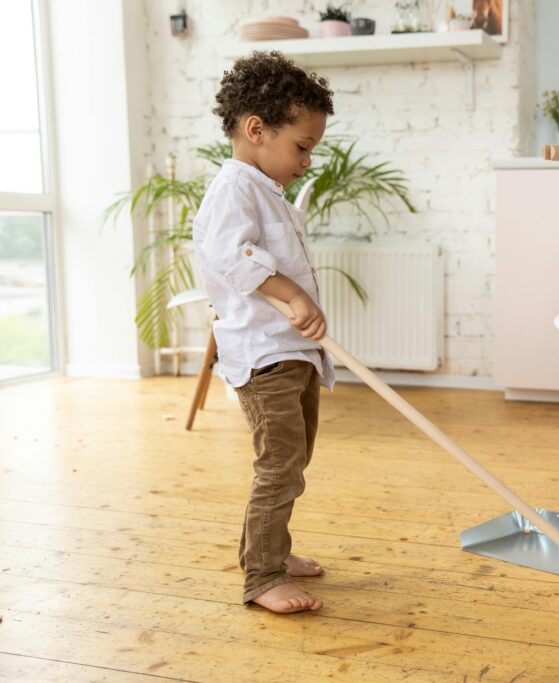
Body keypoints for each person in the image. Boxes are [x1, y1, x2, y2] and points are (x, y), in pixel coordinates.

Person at [193, 51, 335, 613]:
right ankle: (262, 576)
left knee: (293, 461)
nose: (306, 161)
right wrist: (293, 295)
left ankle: (273, 548)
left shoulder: (263, 190)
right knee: (279, 464)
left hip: (292, 352)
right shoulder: (233, 189)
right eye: (301, 147)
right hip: (264, 357)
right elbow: (234, 256)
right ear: (256, 129)